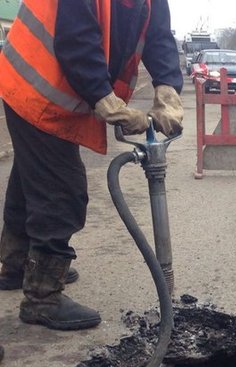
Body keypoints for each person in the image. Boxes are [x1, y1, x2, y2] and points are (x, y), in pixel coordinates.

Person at [0, 0, 183, 331]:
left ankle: (16, 264)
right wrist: (105, 99)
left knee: (32, 177)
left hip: (49, 87)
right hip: (34, 83)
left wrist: (168, 87)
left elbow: (158, 36)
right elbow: (77, 42)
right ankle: (42, 295)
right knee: (62, 190)